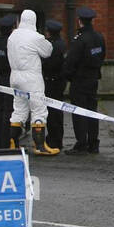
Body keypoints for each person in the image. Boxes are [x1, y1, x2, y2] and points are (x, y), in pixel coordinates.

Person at [7, 8, 57, 155]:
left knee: (19, 110)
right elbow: (48, 52)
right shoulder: (36, 37)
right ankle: (40, 146)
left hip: (15, 77)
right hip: (31, 78)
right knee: (39, 110)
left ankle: (13, 144)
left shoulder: (12, 36)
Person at [64, 6, 106, 154]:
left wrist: (69, 76)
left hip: (79, 81)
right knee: (92, 111)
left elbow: (70, 62)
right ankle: (94, 143)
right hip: (93, 79)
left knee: (79, 112)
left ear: (79, 21)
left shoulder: (80, 40)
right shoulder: (99, 37)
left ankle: (81, 143)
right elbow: (101, 56)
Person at [42, 18, 67, 153]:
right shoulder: (61, 44)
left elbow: (50, 64)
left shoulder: (52, 46)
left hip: (52, 82)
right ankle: (57, 139)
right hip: (59, 81)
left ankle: (54, 140)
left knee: (52, 114)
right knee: (57, 112)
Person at [0, 13, 15, 149]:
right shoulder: (9, 43)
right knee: (8, 111)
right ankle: (6, 143)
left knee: (0, 110)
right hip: (8, 78)